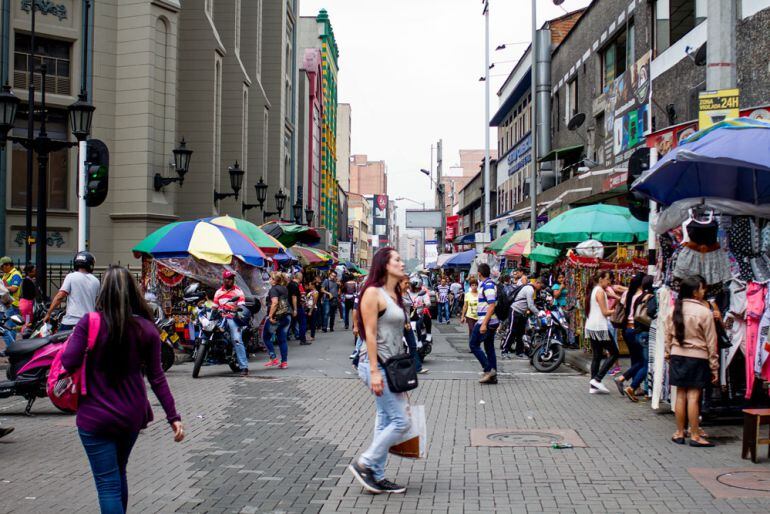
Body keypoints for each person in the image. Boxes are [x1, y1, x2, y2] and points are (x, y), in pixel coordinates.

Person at [61, 265, 183, 513]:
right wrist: (173, 417)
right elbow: (157, 377)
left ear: (103, 291)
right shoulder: (147, 328)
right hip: (131, 415)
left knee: (107, 484)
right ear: (133, 292)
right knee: (118, 472)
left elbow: (69, 361)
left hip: (95, 416)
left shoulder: (90, 323)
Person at [348, 247, 410, 495]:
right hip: (374, 364)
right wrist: (374, 371)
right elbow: (369, 334)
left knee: (385, 419)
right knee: (401, 421)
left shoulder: (393, 293)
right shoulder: (372, 293)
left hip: (391, 366)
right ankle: (365, 462)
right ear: (384, 264)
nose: (402, 263)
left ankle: (377, 475)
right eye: (397, 259)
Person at [665, 275, 718, 447]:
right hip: (697, 357)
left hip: (677, 356)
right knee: (693, 396)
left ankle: (680, 432)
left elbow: (668, 336)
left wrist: (668, 354)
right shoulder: (704, 312)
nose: (704, 292)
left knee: (680, 394)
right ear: (695, 292)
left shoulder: (674, 310)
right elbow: (712, 342)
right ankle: (695, 435)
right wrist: (714, 367)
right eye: (702, 288)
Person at [615, 275, 654, 401]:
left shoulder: (627, 293)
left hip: (627, 329)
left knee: (636, 359)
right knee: (643, 361)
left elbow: (621, 305)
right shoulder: (644, 295)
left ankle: (629, 382)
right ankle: (633, 386)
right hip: (638, 329)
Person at [45, 252, 101, 331]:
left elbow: (60, 297)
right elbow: (97, 302)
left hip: (72, 322)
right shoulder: (96, 281)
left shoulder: (71, 276)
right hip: (89, 322)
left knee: (61, 342)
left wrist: (48, 313)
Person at [585, 271, 619, 394]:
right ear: (601, 279)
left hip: (592, 326)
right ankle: (597, 379)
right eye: (608, 279)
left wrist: (613, 297)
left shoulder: (596, 290)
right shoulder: (599, 291)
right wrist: (615, 311)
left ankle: (593, 385)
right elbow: (605, 312)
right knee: (615, 353)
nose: (609, 282)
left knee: (597, 356)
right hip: (599, 327)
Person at [213, 270, 249, 376]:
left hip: (232, 318)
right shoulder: (218, 292)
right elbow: (214, 307)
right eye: (227, 279)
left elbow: (241, 306)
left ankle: (244, 367)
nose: (229, 281)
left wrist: (235, 309)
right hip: (220, 318)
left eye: (231, 279)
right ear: (223, 280)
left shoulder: (238, 291)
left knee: (237, 339)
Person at [469, 263, 499, 384]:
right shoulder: (486, 284)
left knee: (473, 345)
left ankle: (489, 370)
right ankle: (493, 376)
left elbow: (491, 306)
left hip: (487, 321)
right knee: (489, 347)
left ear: (479, 273)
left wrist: (484, 324)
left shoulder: (488, 285)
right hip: (489, 321)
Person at [502, 276, 545, 359]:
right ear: (537, 283)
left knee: (520, 333)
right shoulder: (530, 289)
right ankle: (504, 351)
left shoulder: (531, 288)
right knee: (512, 331)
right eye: (541, 286)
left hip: (521, 313)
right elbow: (530, 305)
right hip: (515, 310)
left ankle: (519, 351)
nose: (541, 288)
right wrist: (538, 313)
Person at [263, 272, 291, 369]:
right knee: (282, 340)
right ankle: (284, 362)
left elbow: (274, 303)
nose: (269, 279)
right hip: (286, 316)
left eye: (270, 278)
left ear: (274, 280)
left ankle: (273, 358)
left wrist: (270, 316)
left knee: (266, 337)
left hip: (276, 318)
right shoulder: (284, 288)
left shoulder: (273, 289)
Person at [401, 276, 425, 374]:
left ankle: (417, 367)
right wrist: (405, 323)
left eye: (408, 283)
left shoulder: (406, 293)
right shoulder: (395, 295)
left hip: (408, 323)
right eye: (405, 283)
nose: (408, 285)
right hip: (399, 324)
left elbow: (409, 308)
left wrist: (414, 306)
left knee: (413, 345)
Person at [288, 272, 308, 345]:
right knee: (302, 323)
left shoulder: (290, 284)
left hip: (292, 306)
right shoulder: (295, 285)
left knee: (291, 323)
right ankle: (303, 339)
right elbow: (294, 297)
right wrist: (295, 309)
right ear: (300, 277)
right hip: (296, 307)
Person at [19, 264, 38, 329]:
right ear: (29, 272)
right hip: (27, 304)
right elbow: (31, 293)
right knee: (27, 322)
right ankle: (25, 335)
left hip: (27, 303)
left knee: (28, 321)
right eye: (34, 271)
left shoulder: (29, 280)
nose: (35, 272)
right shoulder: (27, 281)